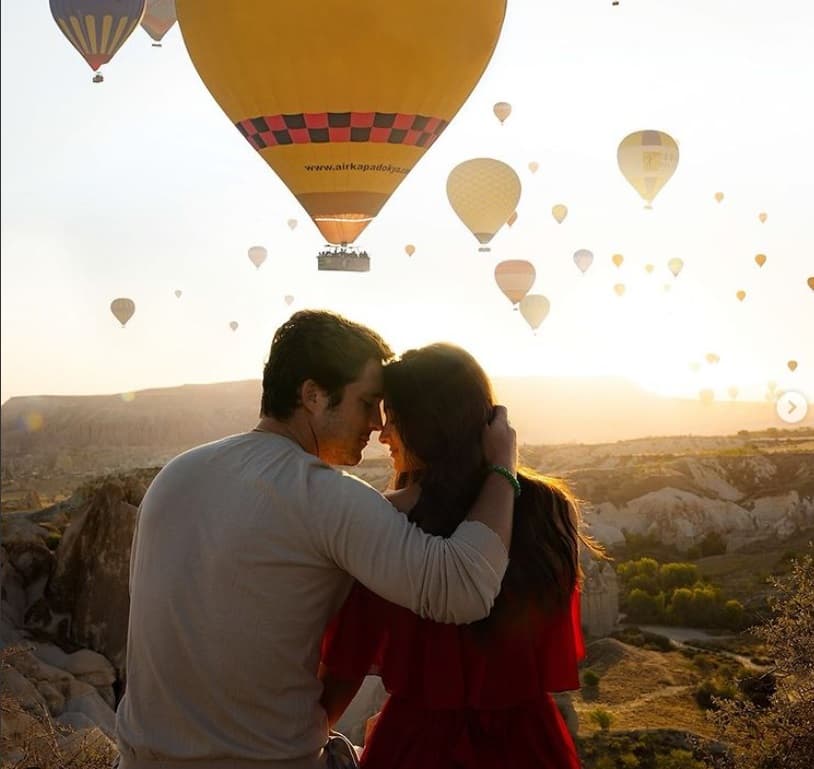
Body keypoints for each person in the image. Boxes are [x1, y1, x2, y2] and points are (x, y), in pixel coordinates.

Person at [115, 311, 519, 769]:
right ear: (312, 396)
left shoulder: (177, 474)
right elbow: (464, 588)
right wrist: (502, 467)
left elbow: (284, 532)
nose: (375, 423)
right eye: (366, 403)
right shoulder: (326, 496)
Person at [320, 343, 605, 768]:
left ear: (426, 426)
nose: (382, 435)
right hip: (527, 742)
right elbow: (548, 642)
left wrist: (302, 736)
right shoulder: (548, 507)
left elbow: (348, 657)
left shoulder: (387, 516)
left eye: (393, 419)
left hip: (418, 745)